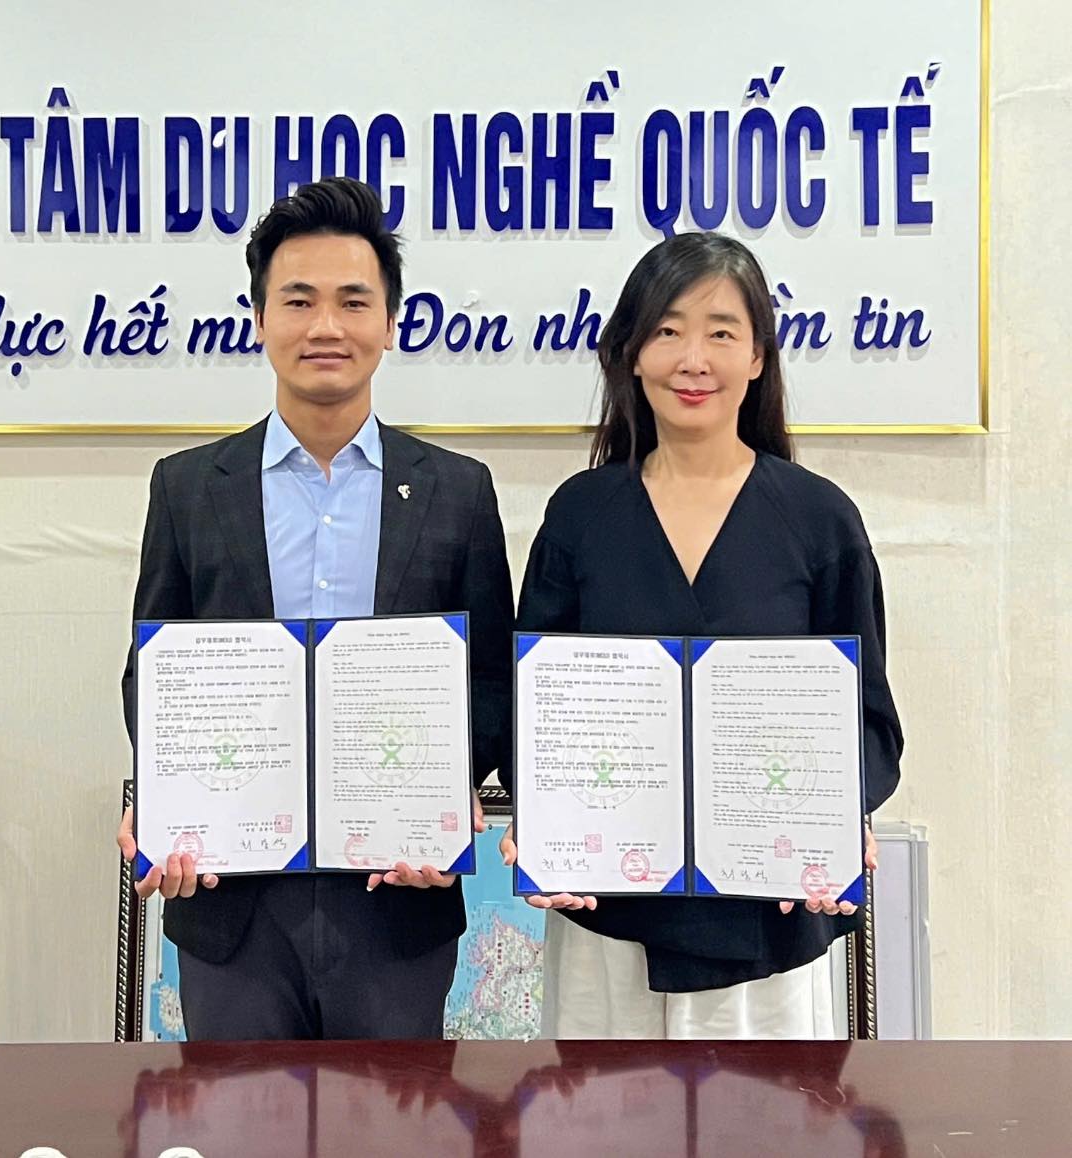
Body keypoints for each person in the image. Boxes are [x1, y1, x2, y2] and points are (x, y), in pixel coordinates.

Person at [116, 177, 514, 1040]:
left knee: (396, 1114)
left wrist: (444, 795)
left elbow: (490, 681)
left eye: (352, 302)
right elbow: (152, 676)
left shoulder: (457, 492)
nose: (325, 326)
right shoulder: (188, 488)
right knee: (234, 1110)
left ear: (391, 322)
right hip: (232, 904)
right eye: (298, 301)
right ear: (260, 318)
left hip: (397, 898)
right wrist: (168, 797)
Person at [500, 231, 903, 1039]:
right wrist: (543, 819)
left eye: (721, 332)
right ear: (631, 353)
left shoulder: (821, 520)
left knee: (770, 1110)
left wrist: (835, 816)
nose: (694, 359)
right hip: (609, 918)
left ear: (757, 357)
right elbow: (533, 705)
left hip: (769, 918)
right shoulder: (581, 515)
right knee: (601, 1108)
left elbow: (867, 720)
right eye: (667, 330)